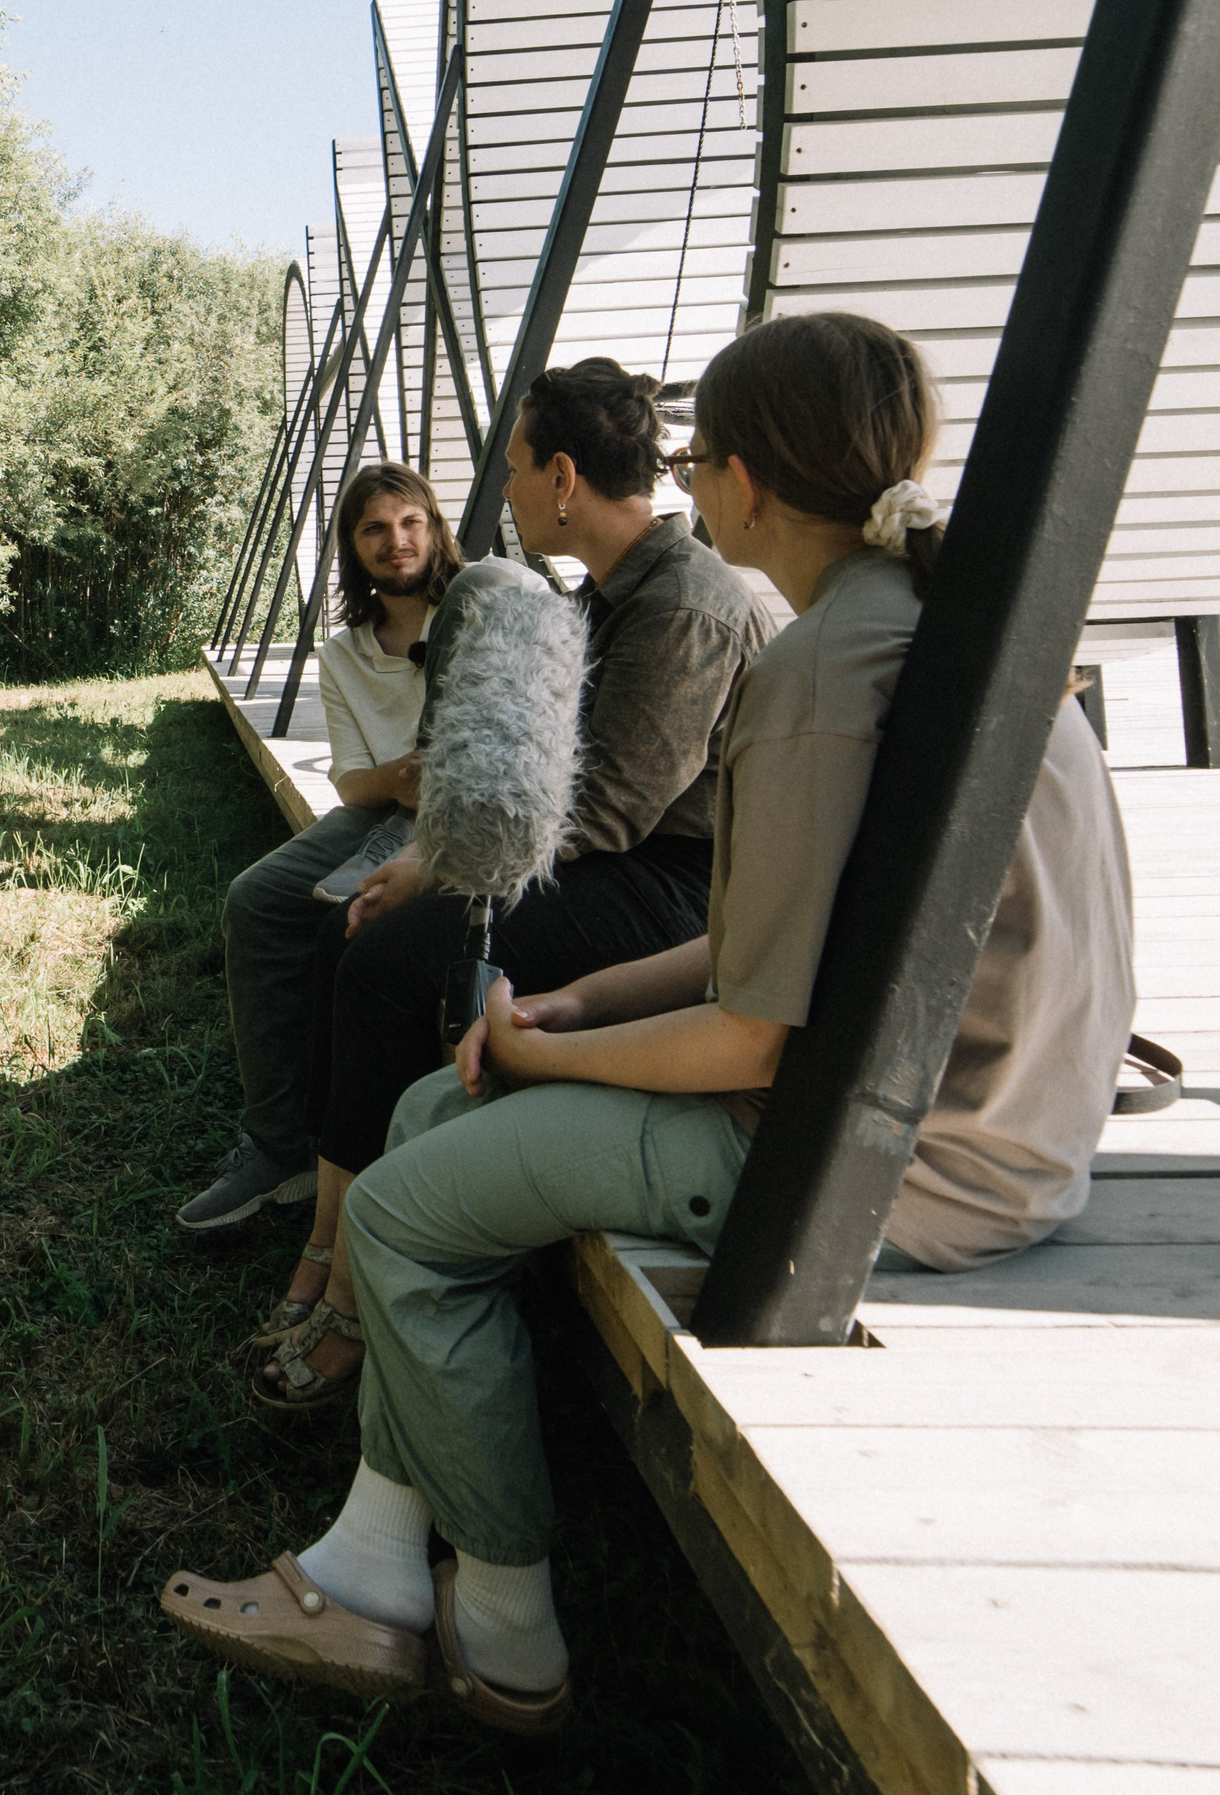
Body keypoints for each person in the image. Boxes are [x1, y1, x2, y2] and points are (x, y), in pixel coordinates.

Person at [162, 311, 1135, 1731]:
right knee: (434, 1109)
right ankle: (374, 1562)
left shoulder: (817, 673)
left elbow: (747, 1040)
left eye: (697, 460)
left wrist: (545, 1049)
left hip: (900, 1175)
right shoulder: (940, 620)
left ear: (738, 478)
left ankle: (502, 1630)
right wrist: (573, 1000)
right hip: (984, 1131)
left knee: (401, 1210)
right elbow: (766, 953)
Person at [253, 360, 769, 1401]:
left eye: (520, 467)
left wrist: (432, 864)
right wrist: (424, 862)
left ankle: (349, 1286)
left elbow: (608, 811)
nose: (512, 492)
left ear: (566, 476)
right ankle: (326, 1229)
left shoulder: (685, 605)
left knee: (394, 962)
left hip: (670, 891)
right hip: (612, 864)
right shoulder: (624, 592)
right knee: (349, 937)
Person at [178, 464, 462, 1238]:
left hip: (463, 809)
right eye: (375, 529)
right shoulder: (345, 654)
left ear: (435, 529)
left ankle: (360, 1149)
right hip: (385, 805)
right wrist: (397, 776)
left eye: (410, 523)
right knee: (257, 897)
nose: (396, 541)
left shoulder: (473, 615)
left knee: (347, 908)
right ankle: (277, 1148)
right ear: (353, 549)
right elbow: (348, 783)